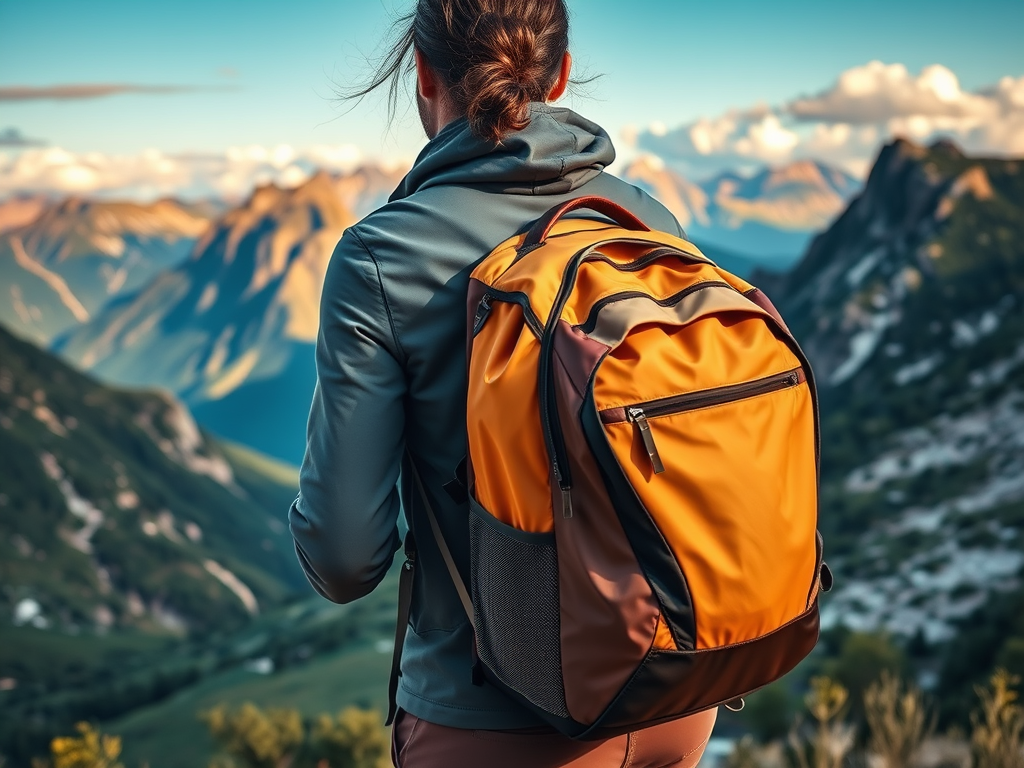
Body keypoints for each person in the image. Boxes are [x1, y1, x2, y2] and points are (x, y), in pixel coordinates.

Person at [289, 1, 718, 765]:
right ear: (561, 73)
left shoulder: (380, 257)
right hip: (674, 692)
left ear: (422, 75)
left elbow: (345, 560)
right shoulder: (647, 221)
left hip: (494, 721)